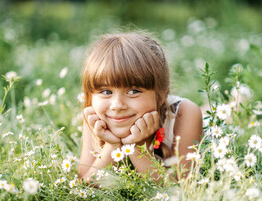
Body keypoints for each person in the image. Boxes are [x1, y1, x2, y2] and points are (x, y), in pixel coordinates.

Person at [78, 31, 202, 183]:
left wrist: (135, 147)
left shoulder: (184, 114)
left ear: (161, 95)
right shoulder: (96, 117)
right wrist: (112, 146)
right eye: (106, 91)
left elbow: (182, 189)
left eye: (133, 91)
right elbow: (84, 186)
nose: (117, 105)